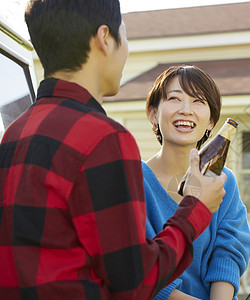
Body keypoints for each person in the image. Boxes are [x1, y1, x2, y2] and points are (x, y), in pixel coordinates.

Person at [0, 1, 226, 299]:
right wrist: (195, 209)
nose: (127, 48)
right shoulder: (103, 138)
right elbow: (135, 281)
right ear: (105, 39)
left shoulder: (15, 132)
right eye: (125, 35)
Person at [143, 65, 250, 300]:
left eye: (198, 101)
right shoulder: (132, 180)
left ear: (212, 121)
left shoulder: (225, 182)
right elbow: (137, 266)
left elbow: (229, 252)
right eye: (174, 98)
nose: (186, 110)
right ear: (153, 113)